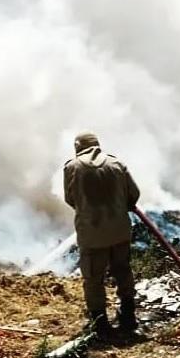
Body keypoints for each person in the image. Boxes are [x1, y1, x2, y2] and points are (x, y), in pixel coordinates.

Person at [63, 132, 140, 337]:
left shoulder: (72, 167)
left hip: (92, 234)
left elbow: (70, 199)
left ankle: (100, 323)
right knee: (123, 271)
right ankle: (128, 317)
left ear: (78, 147)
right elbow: (134, 194)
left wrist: (88, 211)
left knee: (93, 278)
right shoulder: (116, 164)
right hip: (120, 231)